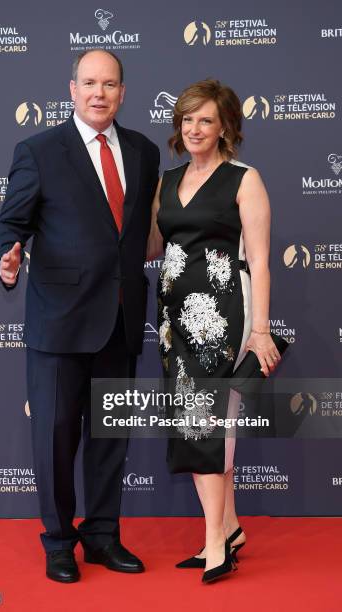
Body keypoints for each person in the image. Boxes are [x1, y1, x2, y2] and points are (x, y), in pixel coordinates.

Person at [0, 49, 159, 583]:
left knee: (111, 438)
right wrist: (8, 254)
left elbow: (139, 233)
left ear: (123, 93)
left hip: (121, 319)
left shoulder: (144, 151)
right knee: (56, 441)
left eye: (109, 84)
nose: (99, 93)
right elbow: (9, 222)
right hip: (60, 322)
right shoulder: (39, 150)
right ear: (72, 89)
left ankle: (103, 536)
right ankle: (59, 541)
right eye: (89, 83)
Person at [147, 79, 280, 583]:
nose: (195, 128)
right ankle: (230, 526)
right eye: (187, 119)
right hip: (174, 318)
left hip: (224, 315)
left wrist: (261, 331)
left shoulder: (244, 179)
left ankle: (215, 543)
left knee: (207, 425)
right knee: (201, 423)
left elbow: (262, 262)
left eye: (205, 119)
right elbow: (152, 247)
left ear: (225, 125)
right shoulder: (168, 180)